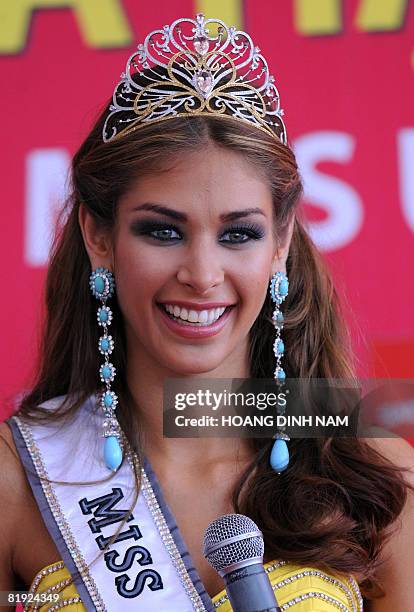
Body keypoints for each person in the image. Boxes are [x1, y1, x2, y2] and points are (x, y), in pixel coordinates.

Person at [1, 13, 413, 612]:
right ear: (98, 234)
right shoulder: (18, 478)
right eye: (163, 232)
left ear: (281, 242)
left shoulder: (377, 473)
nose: (201, 274)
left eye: (239, 234)